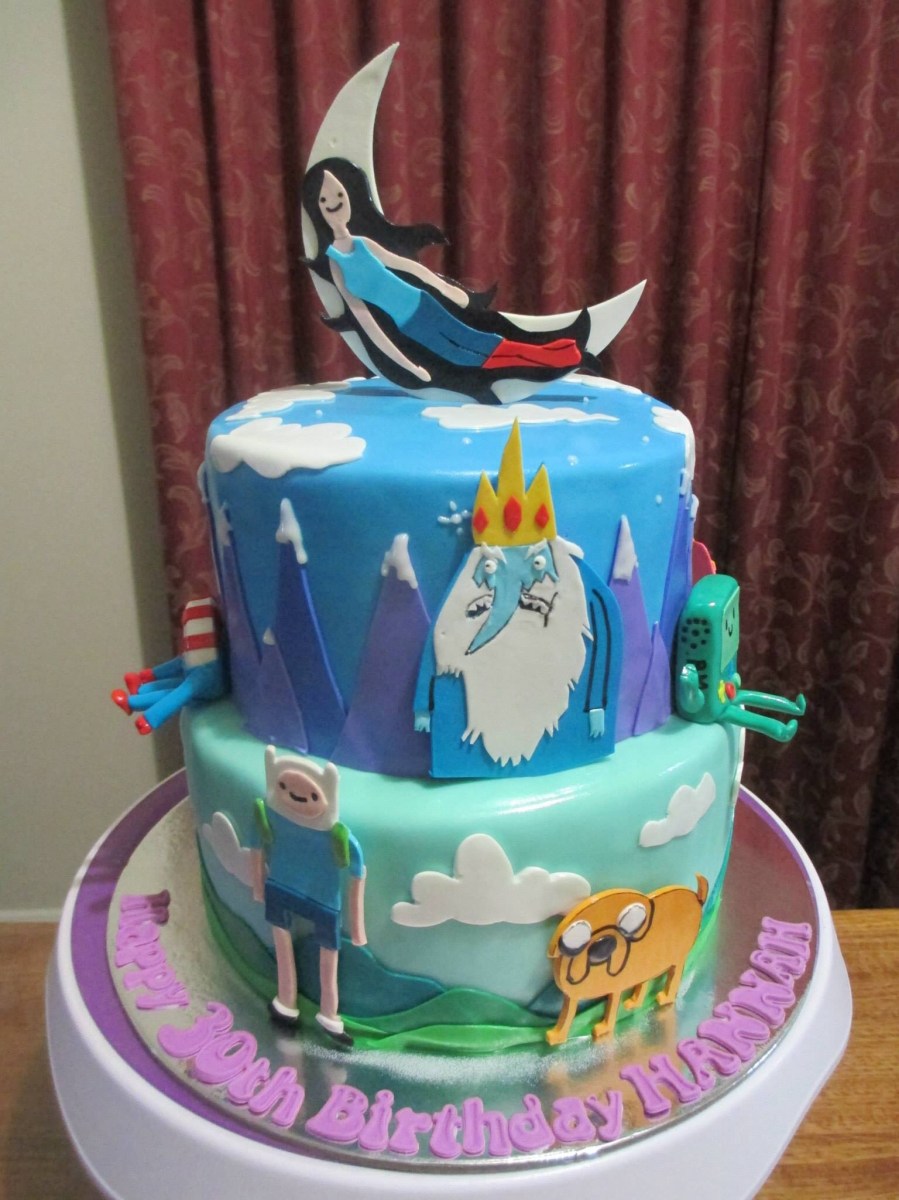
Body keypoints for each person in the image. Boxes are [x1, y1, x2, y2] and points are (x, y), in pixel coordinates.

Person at [302, 157, 590, 399]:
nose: (334, 203)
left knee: (478, 342)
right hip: (409, 327)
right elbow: (366, 321)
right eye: (325, 200)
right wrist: (408, 365)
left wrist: (446, 288)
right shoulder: (335, 262)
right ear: (317, 209)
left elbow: (406, 266)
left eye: (339, 196)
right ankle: (554, 354)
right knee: (464, 357)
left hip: (425, 305)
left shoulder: (364, 244)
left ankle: (553, 355)